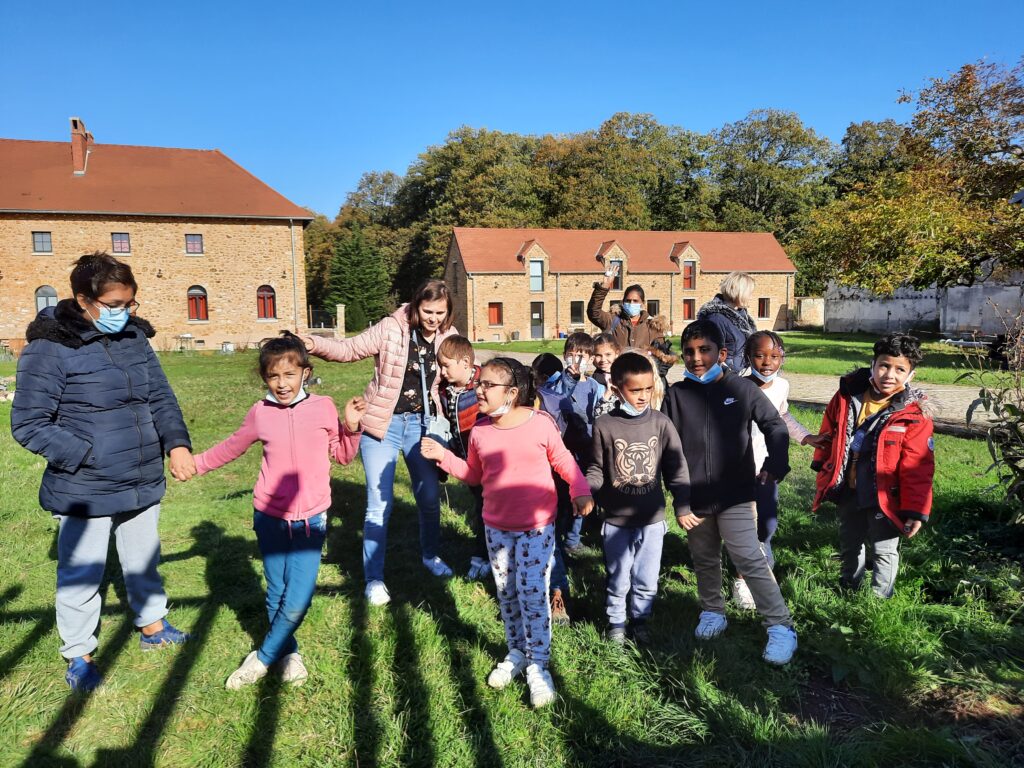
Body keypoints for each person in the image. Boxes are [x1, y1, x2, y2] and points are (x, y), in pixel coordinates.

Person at [11, 252, 195, 692]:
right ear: (83, 300)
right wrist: (87, 455)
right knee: (82, 574)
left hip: (141, 475)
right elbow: (29, 423)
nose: (124, 313)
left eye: (129, 304)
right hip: (84, 484)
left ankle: (153, 626)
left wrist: (176, 444)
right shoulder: (49, 347)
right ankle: (79, 654)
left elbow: (161, 398)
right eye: (113, 305)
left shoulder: (133, 338)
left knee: (143, 559)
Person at [187, 332, 365, 689]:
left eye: (289, 374)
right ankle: (290, 653)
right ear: (264, 378)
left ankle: (262, 658)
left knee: (298, 599)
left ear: (305, 372)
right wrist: (196, 465)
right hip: (268, 516)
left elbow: (343, 455)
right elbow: (231, 447)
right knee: (277, 591)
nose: (282, 384)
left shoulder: (324, 407)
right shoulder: (260, 413)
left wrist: (351, 427)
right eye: (273, 376)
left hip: (311, 519)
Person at [421, 357, 594, 708]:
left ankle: (539, 666)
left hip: (536, 528)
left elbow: (563, 460)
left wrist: (579, 490)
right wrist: (442, 456)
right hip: (496, 529)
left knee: (532, 594)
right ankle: (517, 652)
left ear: (512, 393)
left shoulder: (540, 423)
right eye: (479, 383)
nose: (479, 390)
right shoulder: (480, 430)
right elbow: (473, 475)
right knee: (507, 594)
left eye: (488, 385)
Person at [301, 279, 458, 606]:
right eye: (427, 311)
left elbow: (461, 370)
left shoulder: (449, 337)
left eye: (439, 313)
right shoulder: (390, 328)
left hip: (423, 425)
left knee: (429, 496)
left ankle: (430, 556)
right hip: (381, 426)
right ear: (416, 305)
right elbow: (349, 349)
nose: (432, 319)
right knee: (378, 502)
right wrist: (313, 344)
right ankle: (374, 578)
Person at [661, 320, 798, 665]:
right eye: (689, 352)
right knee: (704, 559)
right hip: (695, 500)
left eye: (704, 350)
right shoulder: (676, 396)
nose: (696, 358)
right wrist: (680, 498)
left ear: (722, 354)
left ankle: (780, 626)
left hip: (737, 493)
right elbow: (669, 451)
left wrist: (777, 462)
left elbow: (774, 425)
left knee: (749, 557)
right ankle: (712, 611)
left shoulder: (741, 389)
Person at [810, 333, 935, 598]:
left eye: (900, 369)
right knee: (850, 543)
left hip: (886, 497)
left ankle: (880, 600)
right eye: (884, 365)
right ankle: (849, 589)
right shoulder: (847, 396)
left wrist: (915, 510)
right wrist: (822, 465)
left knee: (884, 549)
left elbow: (918, 467)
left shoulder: (914, 416)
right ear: (873, 364)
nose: (890, 374)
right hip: (850, 488)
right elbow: (829, 430)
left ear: (911, 375)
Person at [586, 352, 690, 645]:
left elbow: (676, 468)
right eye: (635, 390)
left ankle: (640, 620)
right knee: (618, 577)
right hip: (616, 521)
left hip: (652, 520)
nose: (643, 396)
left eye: (648, 389)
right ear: (618, 389)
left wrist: (682, 504)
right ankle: (617, 624)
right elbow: (595, 467)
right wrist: (587, 493)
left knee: (647, 578)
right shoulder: (604, 425)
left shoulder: (661, 424)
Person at [731, 331, 829, 609]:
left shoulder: (781, 386)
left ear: (782, 358)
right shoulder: (735, 387)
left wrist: (806, 437)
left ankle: (763, 548)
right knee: (744, 528)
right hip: (737, 471)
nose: (767, 362)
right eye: (760, 355)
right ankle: (742, 579)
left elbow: (782, 415)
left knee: (767, 523)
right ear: (748, 357)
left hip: (768, 469)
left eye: (774, 356)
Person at [536, 332, 605, 620]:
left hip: (583, 450)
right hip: (556, 454)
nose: (577, 359)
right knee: (560, 508)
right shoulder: (554, 385)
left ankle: (571, 541)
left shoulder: (596, 385)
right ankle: (562, 546)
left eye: (583, 354)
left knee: (578, 501)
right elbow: (559, 397)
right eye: (572, 352)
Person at [436, 335, 489, 579]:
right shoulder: (446, 390)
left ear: (466, 362)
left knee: (484, 510)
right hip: (466, 462)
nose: (442, 371)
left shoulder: (482, 386)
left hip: (487, 464)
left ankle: (483, 556)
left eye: (446, 365)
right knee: (479, 506)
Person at [587, 264, 665, 351]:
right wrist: (604, 286)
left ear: (643, 303)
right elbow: (593, 312)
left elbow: (661, 355)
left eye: (635, 301)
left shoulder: (653, 326)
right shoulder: (612, 320)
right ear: (622, 302)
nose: (631, 303)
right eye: (628, 301)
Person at [696, 271, 758, 372]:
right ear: (739, 292)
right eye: (749, 293)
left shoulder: (742, 316)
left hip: (742, 373)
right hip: (726, 377)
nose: (751, 297)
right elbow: (709, 352)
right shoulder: (716, 318)